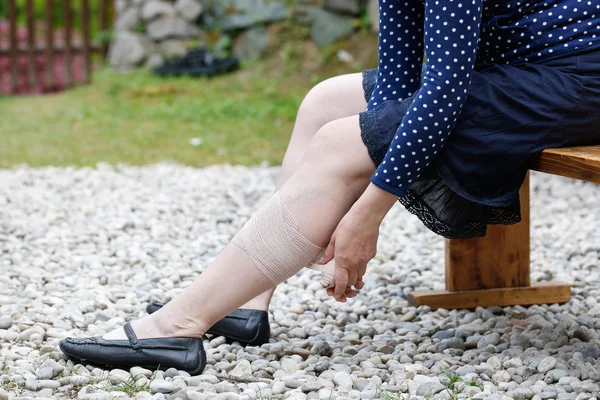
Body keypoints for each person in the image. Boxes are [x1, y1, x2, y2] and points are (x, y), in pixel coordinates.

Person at [59, 0, 600, 375]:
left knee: (343, 142)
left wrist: (368, 211)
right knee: (327, 102)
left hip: (578, 80)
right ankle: (247, 300)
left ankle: (176, 326)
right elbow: (400, 75)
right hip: (523, 66)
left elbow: (442, 93)